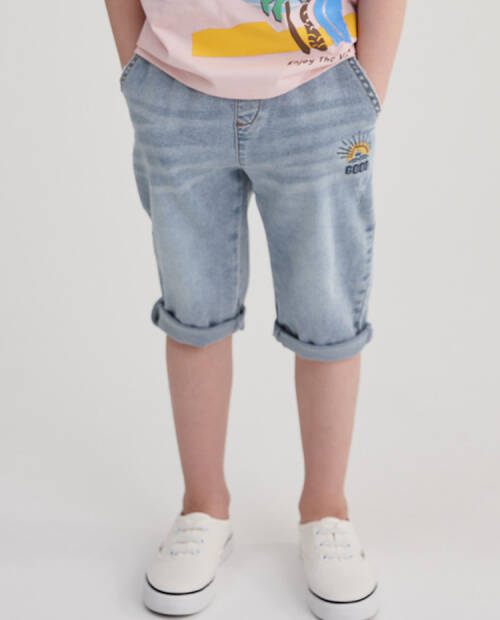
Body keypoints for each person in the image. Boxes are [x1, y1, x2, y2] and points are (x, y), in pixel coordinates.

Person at [104, 1, 406, 618]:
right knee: (193, 309)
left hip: (318, 86)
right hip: (174, 85)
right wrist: (137, 66)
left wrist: (366, 87)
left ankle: (326, 510)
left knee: (327, 312)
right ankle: (202, 507)